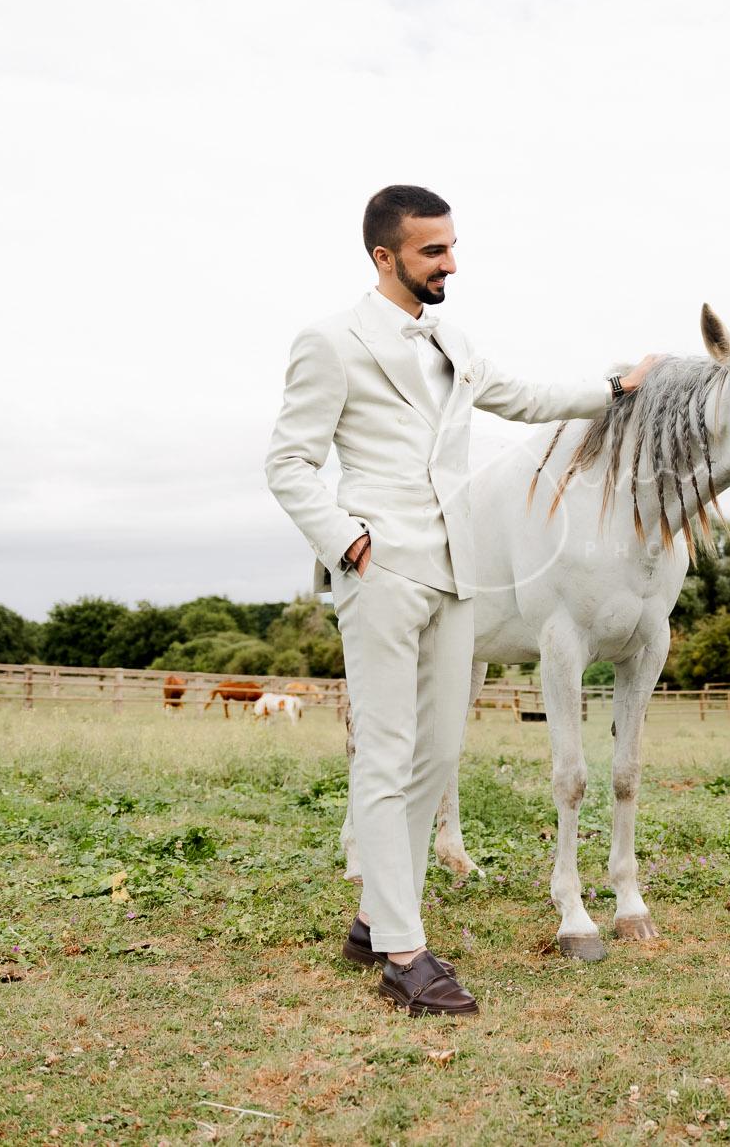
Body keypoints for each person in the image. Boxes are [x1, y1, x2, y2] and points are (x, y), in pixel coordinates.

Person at [266, 184, 660, 1016]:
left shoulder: (452, 339)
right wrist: (347, 542)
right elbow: (289, 463)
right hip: (380, 570)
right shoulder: (330, 342)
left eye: (452, 246)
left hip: (457, 574)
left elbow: (526, 398)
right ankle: (403, 952)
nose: (451, 263)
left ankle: (374, 920)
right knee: (385, 754)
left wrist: (616, 388)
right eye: (433, 250)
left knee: (437, 754)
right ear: (385, 256)